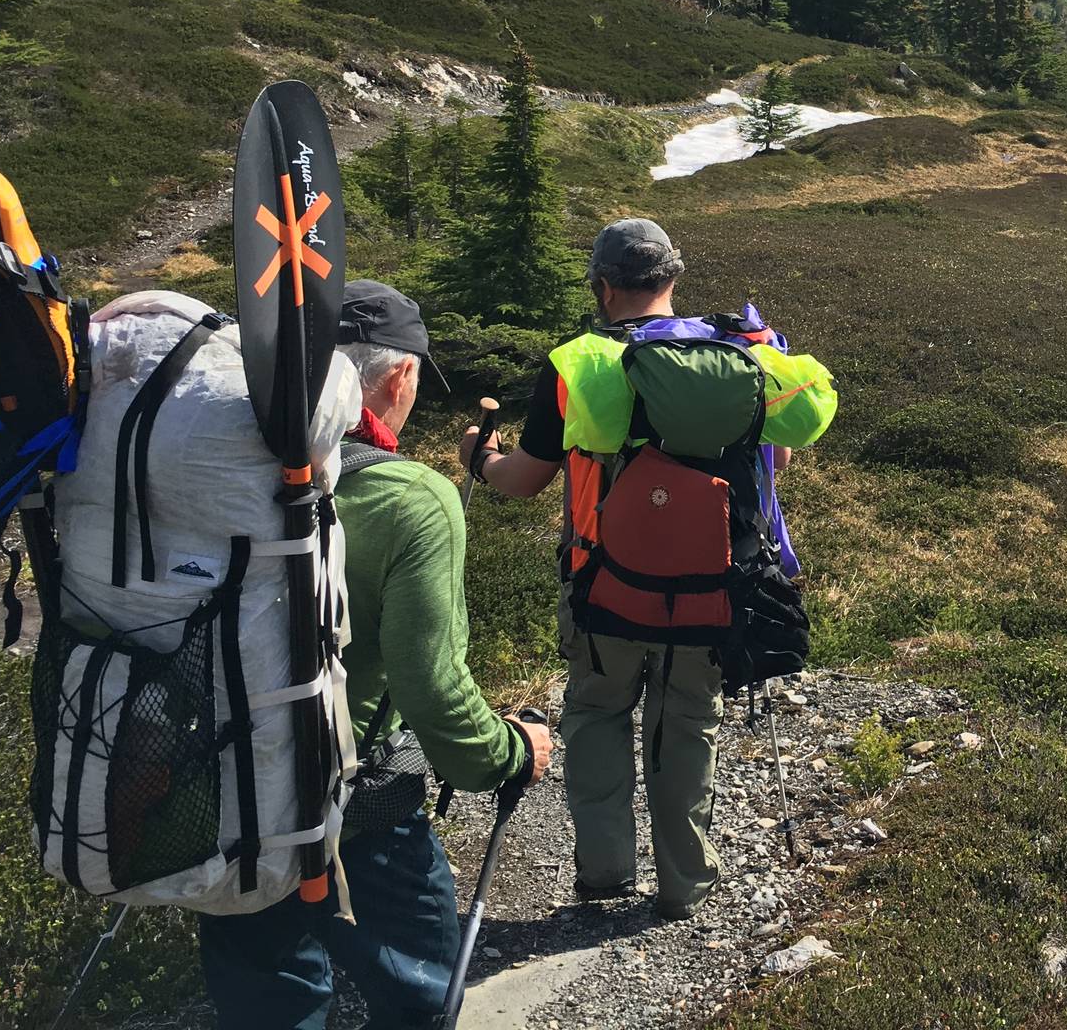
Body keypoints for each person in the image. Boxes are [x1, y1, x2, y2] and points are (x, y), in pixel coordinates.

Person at [198, 280, 552, 1029]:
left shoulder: (221, 474)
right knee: (420, 998)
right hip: (356, 810)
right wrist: (510, 754)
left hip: (222, 797)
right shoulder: (412, 499)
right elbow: (434, 695)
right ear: (400, 377)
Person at [461, 219, 835, 922]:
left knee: (599, 716)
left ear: (604, 288)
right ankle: (683, 885)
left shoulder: (579, 363)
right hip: (715, 590)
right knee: (688, 723)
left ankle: (604, 877)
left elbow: (524, 479)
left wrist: (478, 459)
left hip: (609, 586)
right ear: (673, 280)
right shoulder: (739, 355)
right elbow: (775, 458)